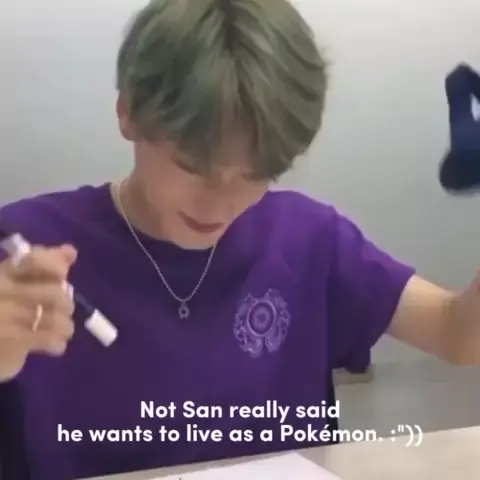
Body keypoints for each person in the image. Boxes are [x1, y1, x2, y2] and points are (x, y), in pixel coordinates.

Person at [1, 0, 480, 479]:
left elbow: (458, 334)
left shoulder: (307, 238)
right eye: (193, 167)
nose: (220, 205)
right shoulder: (24, 249)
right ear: (127, 111)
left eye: (256, 174)